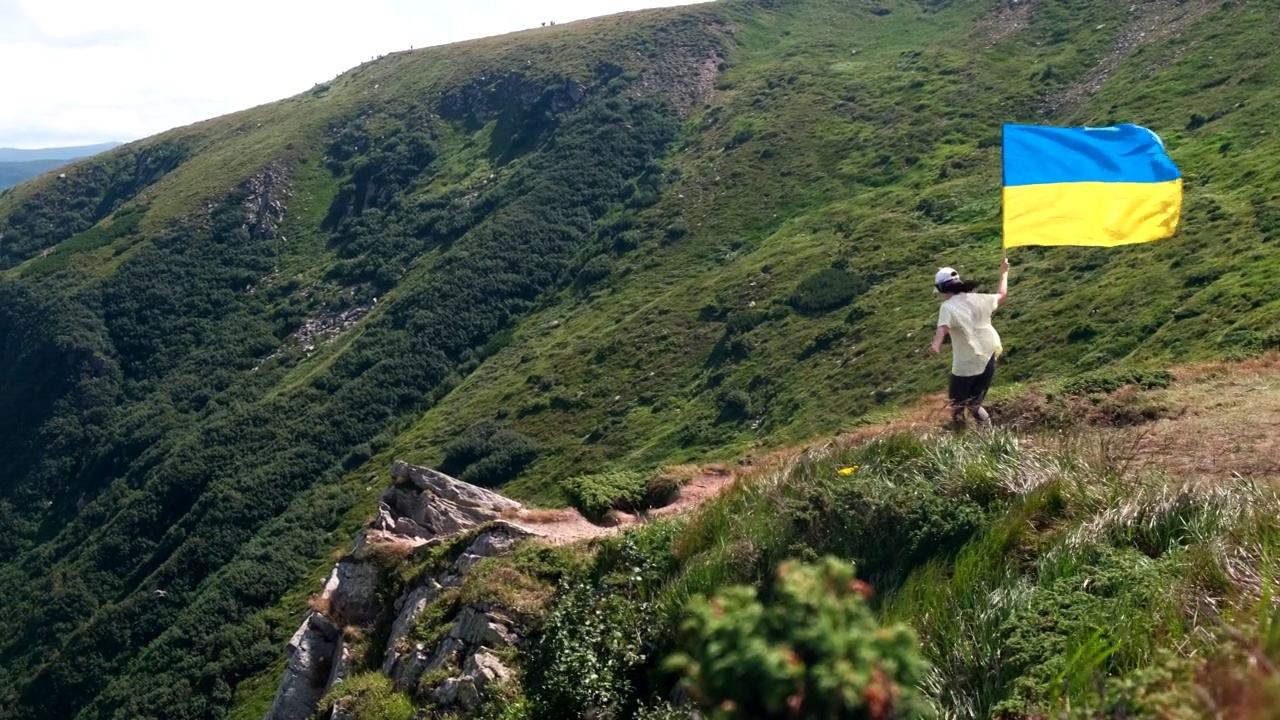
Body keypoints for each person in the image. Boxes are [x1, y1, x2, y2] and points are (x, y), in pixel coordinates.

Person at [928, 256, 1010, 428]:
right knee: (975, 404)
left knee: (957, 406)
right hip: (989, 354)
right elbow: (1002, 294)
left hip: (966, 363)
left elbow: (941, 329)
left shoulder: (948, 307)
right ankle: (990, 439)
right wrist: (1004, 273)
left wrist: (936, 345)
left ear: (941, 289)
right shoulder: (981, 298)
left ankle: (960, 441)